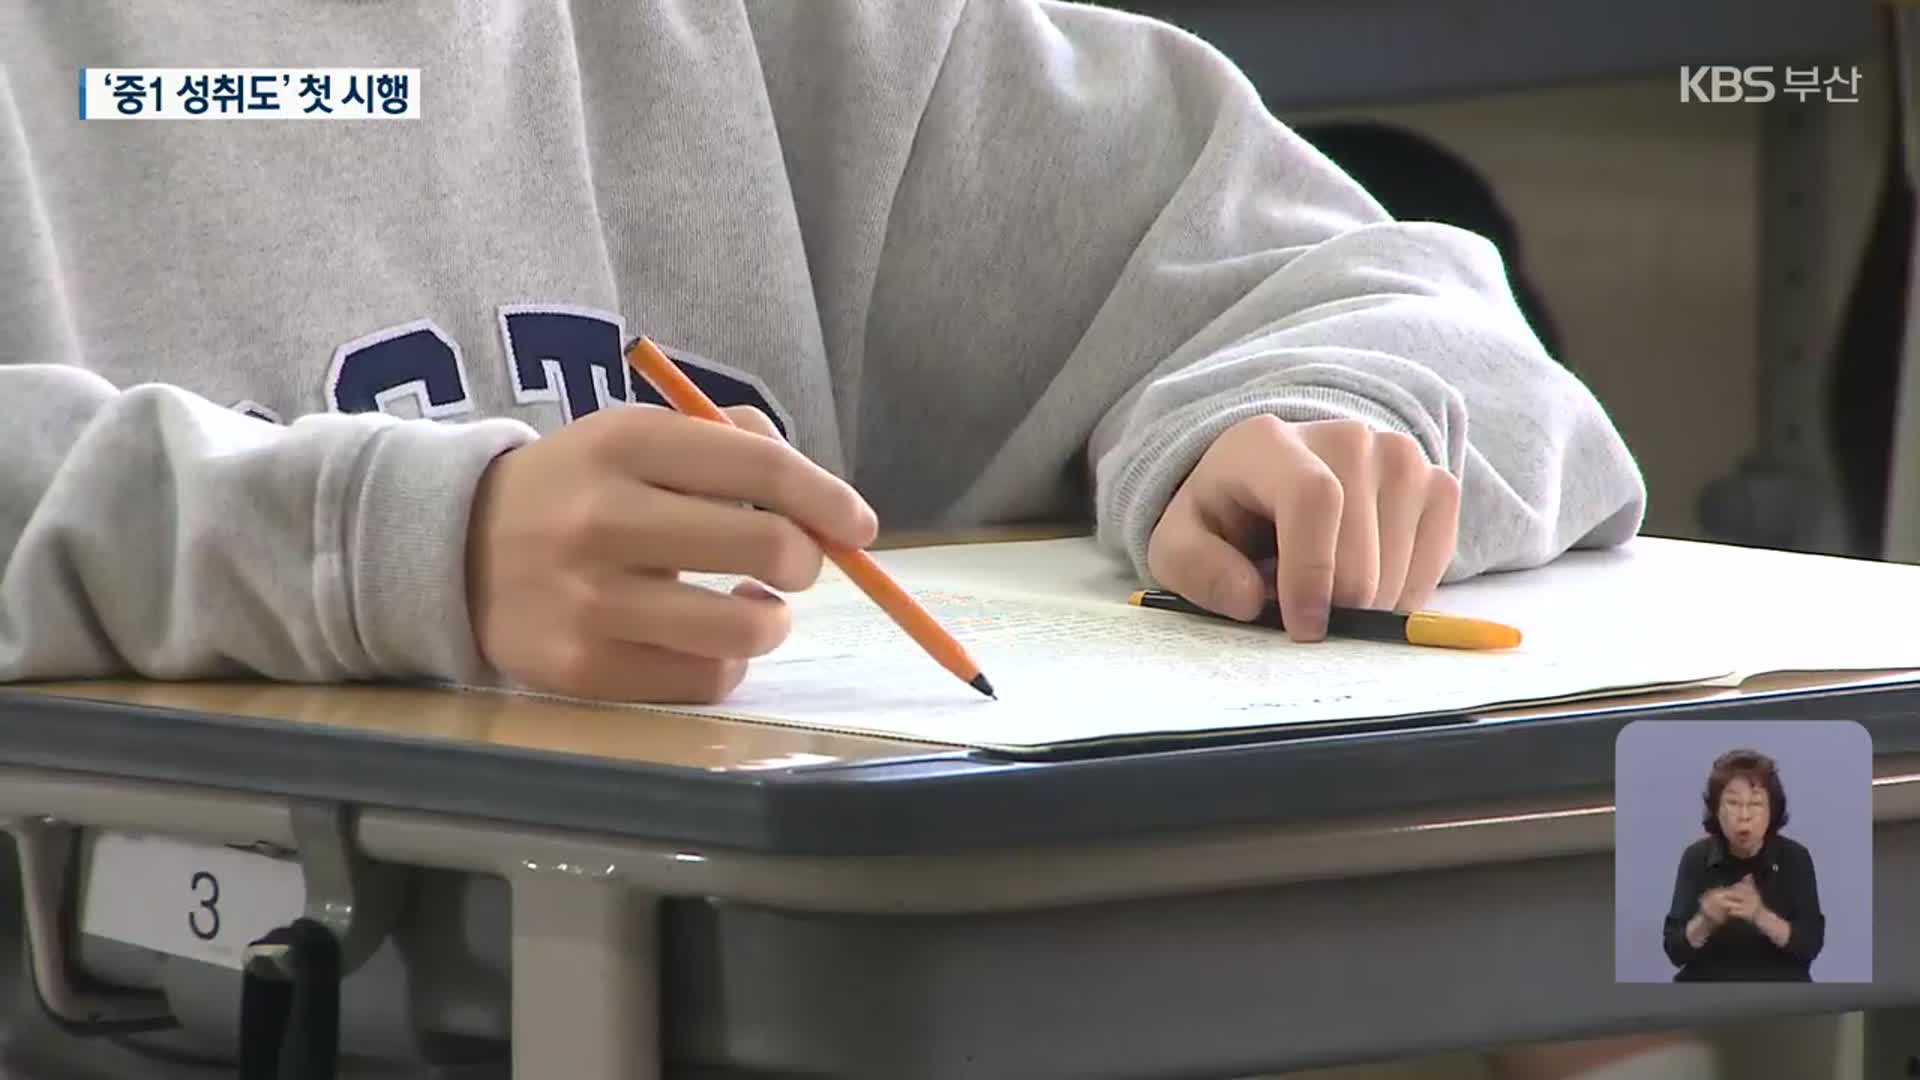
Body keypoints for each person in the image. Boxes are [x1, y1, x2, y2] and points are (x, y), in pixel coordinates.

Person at [2, 2, 1673, 1078]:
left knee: (1705, 905)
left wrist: (1304, 417)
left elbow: (1391, 293)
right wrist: (397, 544)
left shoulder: (793, 37)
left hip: (777, 992)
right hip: (216, 1007)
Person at [1663, 749, 1825, 982]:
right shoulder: (1696, 857)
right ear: (1717, 809)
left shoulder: (1794, 858)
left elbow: (1810, 946)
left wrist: (1760, 915)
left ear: (1772, 811)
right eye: (1733, 803)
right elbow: (1675, 951)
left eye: (1756, 804)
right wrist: (1705, 921)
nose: (1744, 815)